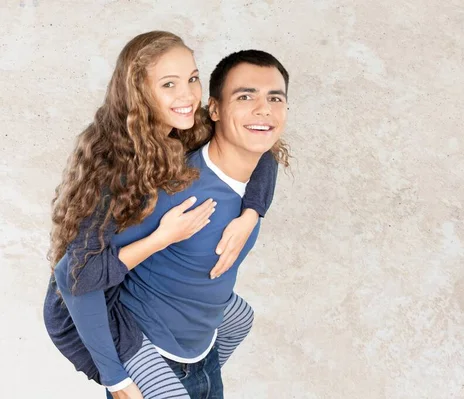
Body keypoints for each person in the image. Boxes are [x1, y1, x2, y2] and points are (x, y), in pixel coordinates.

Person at [43, 31, 287, 398]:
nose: (188, 95)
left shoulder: (190, 130)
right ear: (139, 94)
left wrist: (251, 213)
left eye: (192, 79)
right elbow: (76, 277)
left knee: (239, 317)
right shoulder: (118, 177)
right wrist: (117, 379)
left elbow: (261, 149)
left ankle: (190, 373)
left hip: (155, 301)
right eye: (169, 84)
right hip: (87, 304)